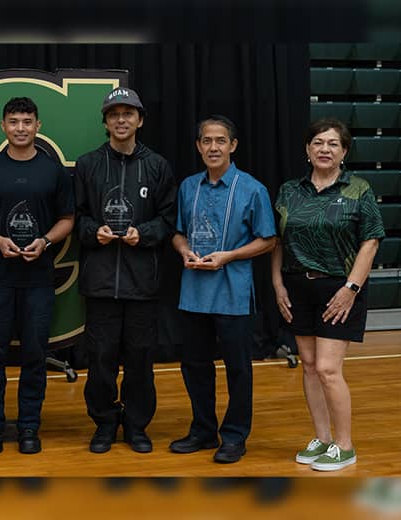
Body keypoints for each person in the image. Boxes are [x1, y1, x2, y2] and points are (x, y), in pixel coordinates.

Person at [0, 97, 75, 455]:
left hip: (39, 279)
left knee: (34, 358)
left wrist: (43, 240)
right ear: (3, 126)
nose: (21, 128)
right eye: (14, 121)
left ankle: (29, 428)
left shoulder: (54, 171)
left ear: (38, 126)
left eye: (28, 121)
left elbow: (67, 220)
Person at [272, 118, 384, 471]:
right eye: (318, 142)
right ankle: (322, 439)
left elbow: (371, 241)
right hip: (297, 286)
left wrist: (351, 288)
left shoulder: (358, 189)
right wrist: (277, 284)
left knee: (328, 368)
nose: (324, 149)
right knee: (308, 366)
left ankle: (345, 445)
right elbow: (279, 240)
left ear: (344, 151)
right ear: (307, 150)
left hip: (339, 287)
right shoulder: (290, 190)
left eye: (333, 144)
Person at [74, 87, 177, 454]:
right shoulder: (87, 165)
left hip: (142, 284)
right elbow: (76, 218)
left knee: (140, 362)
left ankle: (136, 425)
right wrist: (92, 232)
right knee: (100, 361)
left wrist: (144, 233)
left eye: (128, 113)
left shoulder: (158, 166)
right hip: (100, 282)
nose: (121, 120)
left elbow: (169, 219)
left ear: (140, 120)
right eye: (114, 114)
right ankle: (104, 423)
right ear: (105, 121)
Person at [170, 115, 276, 464]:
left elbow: (269, 240)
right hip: (194, 291)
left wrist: (229, 256)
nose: (213, 147)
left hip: (233, 292)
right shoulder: (188, 187)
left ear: (233, 145)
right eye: (206, 141)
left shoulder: (252, 189)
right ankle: (202, 430)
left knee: (237, 368)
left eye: (220, 141)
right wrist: (184, 250)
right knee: (194, 365)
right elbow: (178, 232)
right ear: (198, 146)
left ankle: (234, 436)